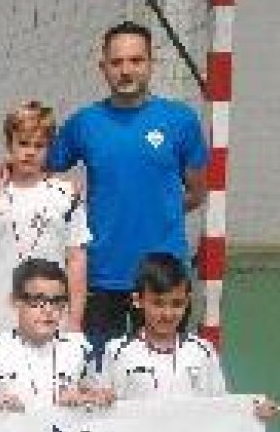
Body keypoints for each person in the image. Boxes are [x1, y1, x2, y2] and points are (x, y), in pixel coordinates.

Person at [46, 20, 209, 360]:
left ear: (151, 63)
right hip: (101, 274)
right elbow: (38, 170)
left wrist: (158, 210)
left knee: (163, 372)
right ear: (103, 67)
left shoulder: (180, 120)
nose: (126, 70)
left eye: (136, 60)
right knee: (99, 371)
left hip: (163, 275)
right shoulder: (84, 123)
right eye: (117, 62)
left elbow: (196, 193)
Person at [98, 252, 279, 420]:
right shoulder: (116, 351)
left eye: (177, 304)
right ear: (138, 301)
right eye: (158, 303)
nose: (167, 313)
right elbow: (96, 413)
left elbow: (221, 408)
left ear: (188, 301)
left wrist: (253, 412)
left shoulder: (202, 351)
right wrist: (96, 399)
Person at [0, 101, 91, 335]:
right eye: (23, 143)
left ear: (50, 148)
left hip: (53, 319)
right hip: (2, 319)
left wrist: (74, 321)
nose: (30, 152)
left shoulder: (66, 194)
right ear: (9, 144)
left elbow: (76, 259)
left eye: (39, 145)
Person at [0, 259, 102, 412]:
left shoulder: (80, 348)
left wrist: (86, 398)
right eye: (37, 300)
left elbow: (95, 399)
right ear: (15, 301)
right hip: (11, 427)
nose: (48, 310)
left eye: (57, 301)